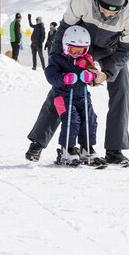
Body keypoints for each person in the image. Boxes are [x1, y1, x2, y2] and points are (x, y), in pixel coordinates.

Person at [25, 0, 129, 167]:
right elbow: (64, 29)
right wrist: (57, 58)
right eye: (103, 9)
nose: (107, 14)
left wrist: (106, 73)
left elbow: (126, 49)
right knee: (63, 89)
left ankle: (114, 149)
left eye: (113, 12)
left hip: (111, 49)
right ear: (97, 2)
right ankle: (37, 142)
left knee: (123, 90)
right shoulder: (82, 0)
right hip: (81, 45)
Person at [45, 25, 106, 167]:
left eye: (81, 50)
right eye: (73, 50)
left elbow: (95, 75)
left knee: (90, 119)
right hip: (63, 97)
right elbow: (50, 75)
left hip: (82, 96)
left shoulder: (86, 60)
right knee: (72, 120)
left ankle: (87, 148)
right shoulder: (57, 58)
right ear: (66, 46)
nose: (77, 53)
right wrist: (63, 78)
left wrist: (90, 76)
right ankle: (67, 149)